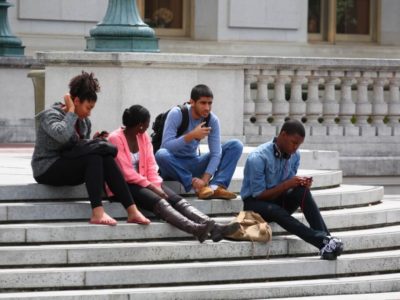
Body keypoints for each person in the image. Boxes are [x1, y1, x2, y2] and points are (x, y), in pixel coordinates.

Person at [107, 105, 240, 243]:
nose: (148, 126)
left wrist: (156, 184)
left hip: (146, 182)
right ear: (140, 125)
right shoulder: (115, 138)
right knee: (160, 201)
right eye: (147, 123)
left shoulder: (143, 137)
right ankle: (195, 229)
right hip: (125, 186)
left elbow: (151, 166)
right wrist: (153, 188)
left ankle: (214, 226)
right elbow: (126, 173)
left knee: (176, 199)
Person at [31, 71, 149, 226]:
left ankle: (132, 210)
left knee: (103, 156)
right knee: (93, 156)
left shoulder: (84, 122)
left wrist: (94, 141)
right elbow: (62, 135)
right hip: (46, 168)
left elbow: (77, 147)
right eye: (88, 107)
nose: (89, 113)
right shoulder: (51, 115)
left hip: (67, 165)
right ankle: (97, 213)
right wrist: (71, 111)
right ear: (77, 101)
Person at [240, 119, 344, 260]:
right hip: (254, 205)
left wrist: (299, 184)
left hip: (277, 199)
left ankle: (328, 241)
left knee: (303, 192)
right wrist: (288, 184)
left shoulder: (295, 155)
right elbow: (259, 195)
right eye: (294, 143)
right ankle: (323, 241)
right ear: (283, 135)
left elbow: (287, 186)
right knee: (276, 210)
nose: (295, 148)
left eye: (299, 144)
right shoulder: (258, 158)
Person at [155, 84, 243, 200]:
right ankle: (194, 185)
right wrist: (192, 135)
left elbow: (216, 153)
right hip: (173, 166)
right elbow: (166, 146)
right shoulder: (177, 113)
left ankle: (216, 186)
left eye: (210, 103)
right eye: (203, 103)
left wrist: (204, 179)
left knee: (235, 145)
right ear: (192, 102)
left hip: (194, 163)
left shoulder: (212, 120)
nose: (207, 107)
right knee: (161, 154)